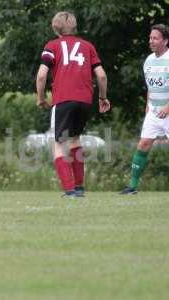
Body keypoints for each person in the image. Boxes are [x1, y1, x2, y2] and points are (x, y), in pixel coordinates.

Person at [35, 11, 111, 197]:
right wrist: (102, 98)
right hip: (85, 100)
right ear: (75, 27)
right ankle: (79, 187)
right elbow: (101, 75)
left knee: (59, 143)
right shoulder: (88, 46)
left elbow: (42, 75)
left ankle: (70, 190)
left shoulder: (52, 45)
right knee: (75, 139)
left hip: (63, 99)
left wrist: (41, 97)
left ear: (55, 28)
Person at [121, 24, 169, 195]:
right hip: (154, 112)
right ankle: (132, 186)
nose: (151, 41)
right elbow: (150, 87)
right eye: (150, 38)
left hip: (168, 111)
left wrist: (167, 106)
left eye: (155, 38)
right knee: (143, 144)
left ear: (165, 41)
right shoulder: (148, 61)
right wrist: (148, 106)